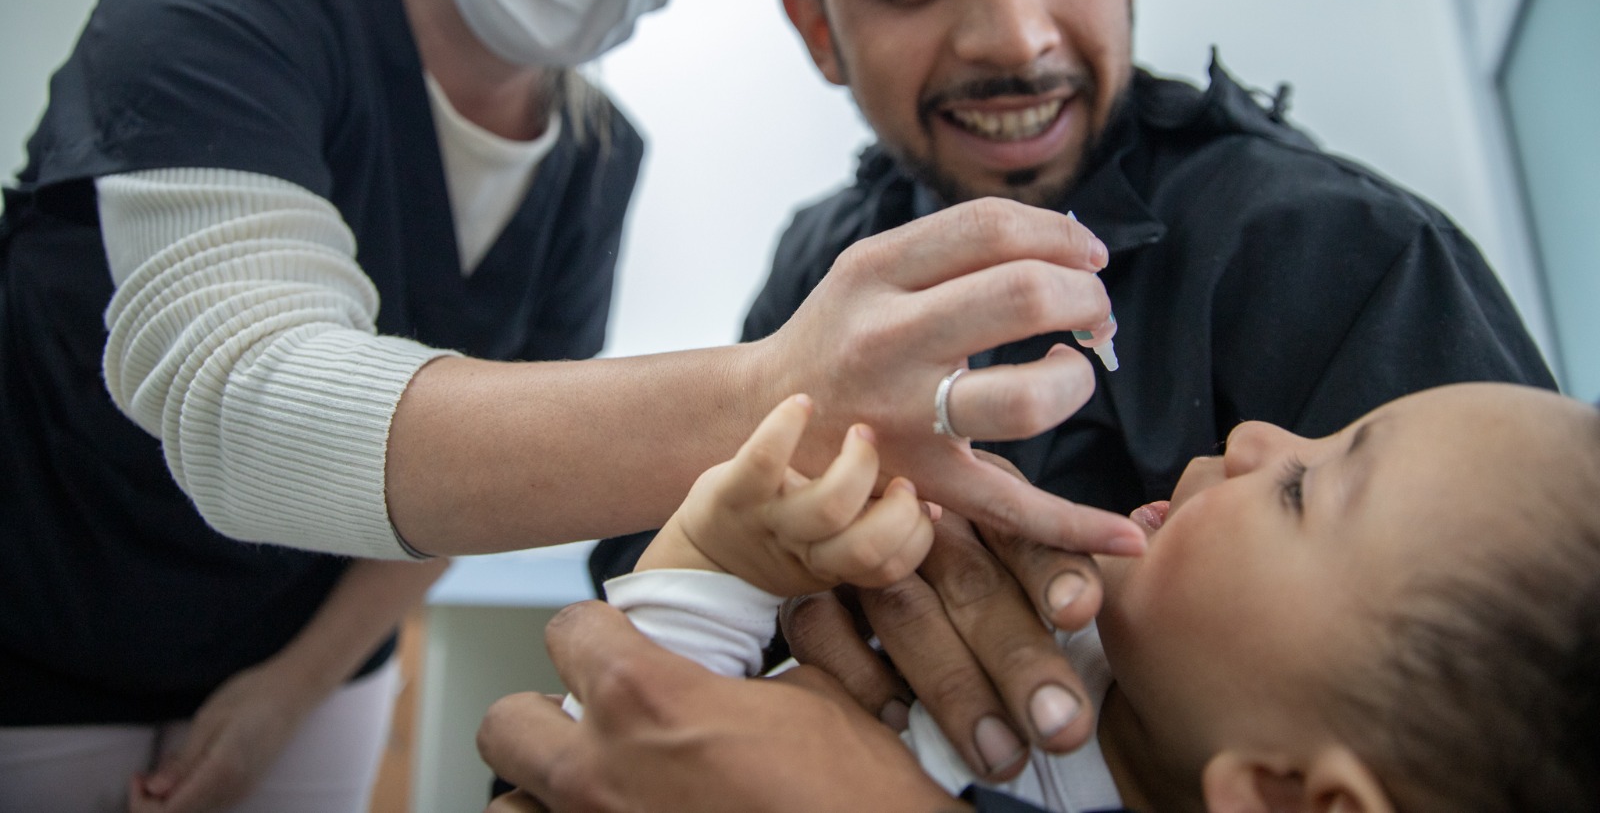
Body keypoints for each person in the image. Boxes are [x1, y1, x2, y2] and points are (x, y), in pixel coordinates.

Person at [0, 0, 1150, 808]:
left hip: (315, 651)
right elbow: (238, 395)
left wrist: (297, 684)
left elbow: (493, 468)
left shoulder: (598, 159)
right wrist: (776, 399)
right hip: (48, 626)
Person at [591, 0, 1558, 779]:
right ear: (820, 29)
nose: (1015, 36)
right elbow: (646, 616)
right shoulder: (818, 268)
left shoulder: (1351, 257)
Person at [488, 380, 1600, 812]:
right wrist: (724, 553)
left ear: (1291, 798)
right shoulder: (1089, 648)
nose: (1257, 435)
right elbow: (626, 734)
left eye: (1305, 491)